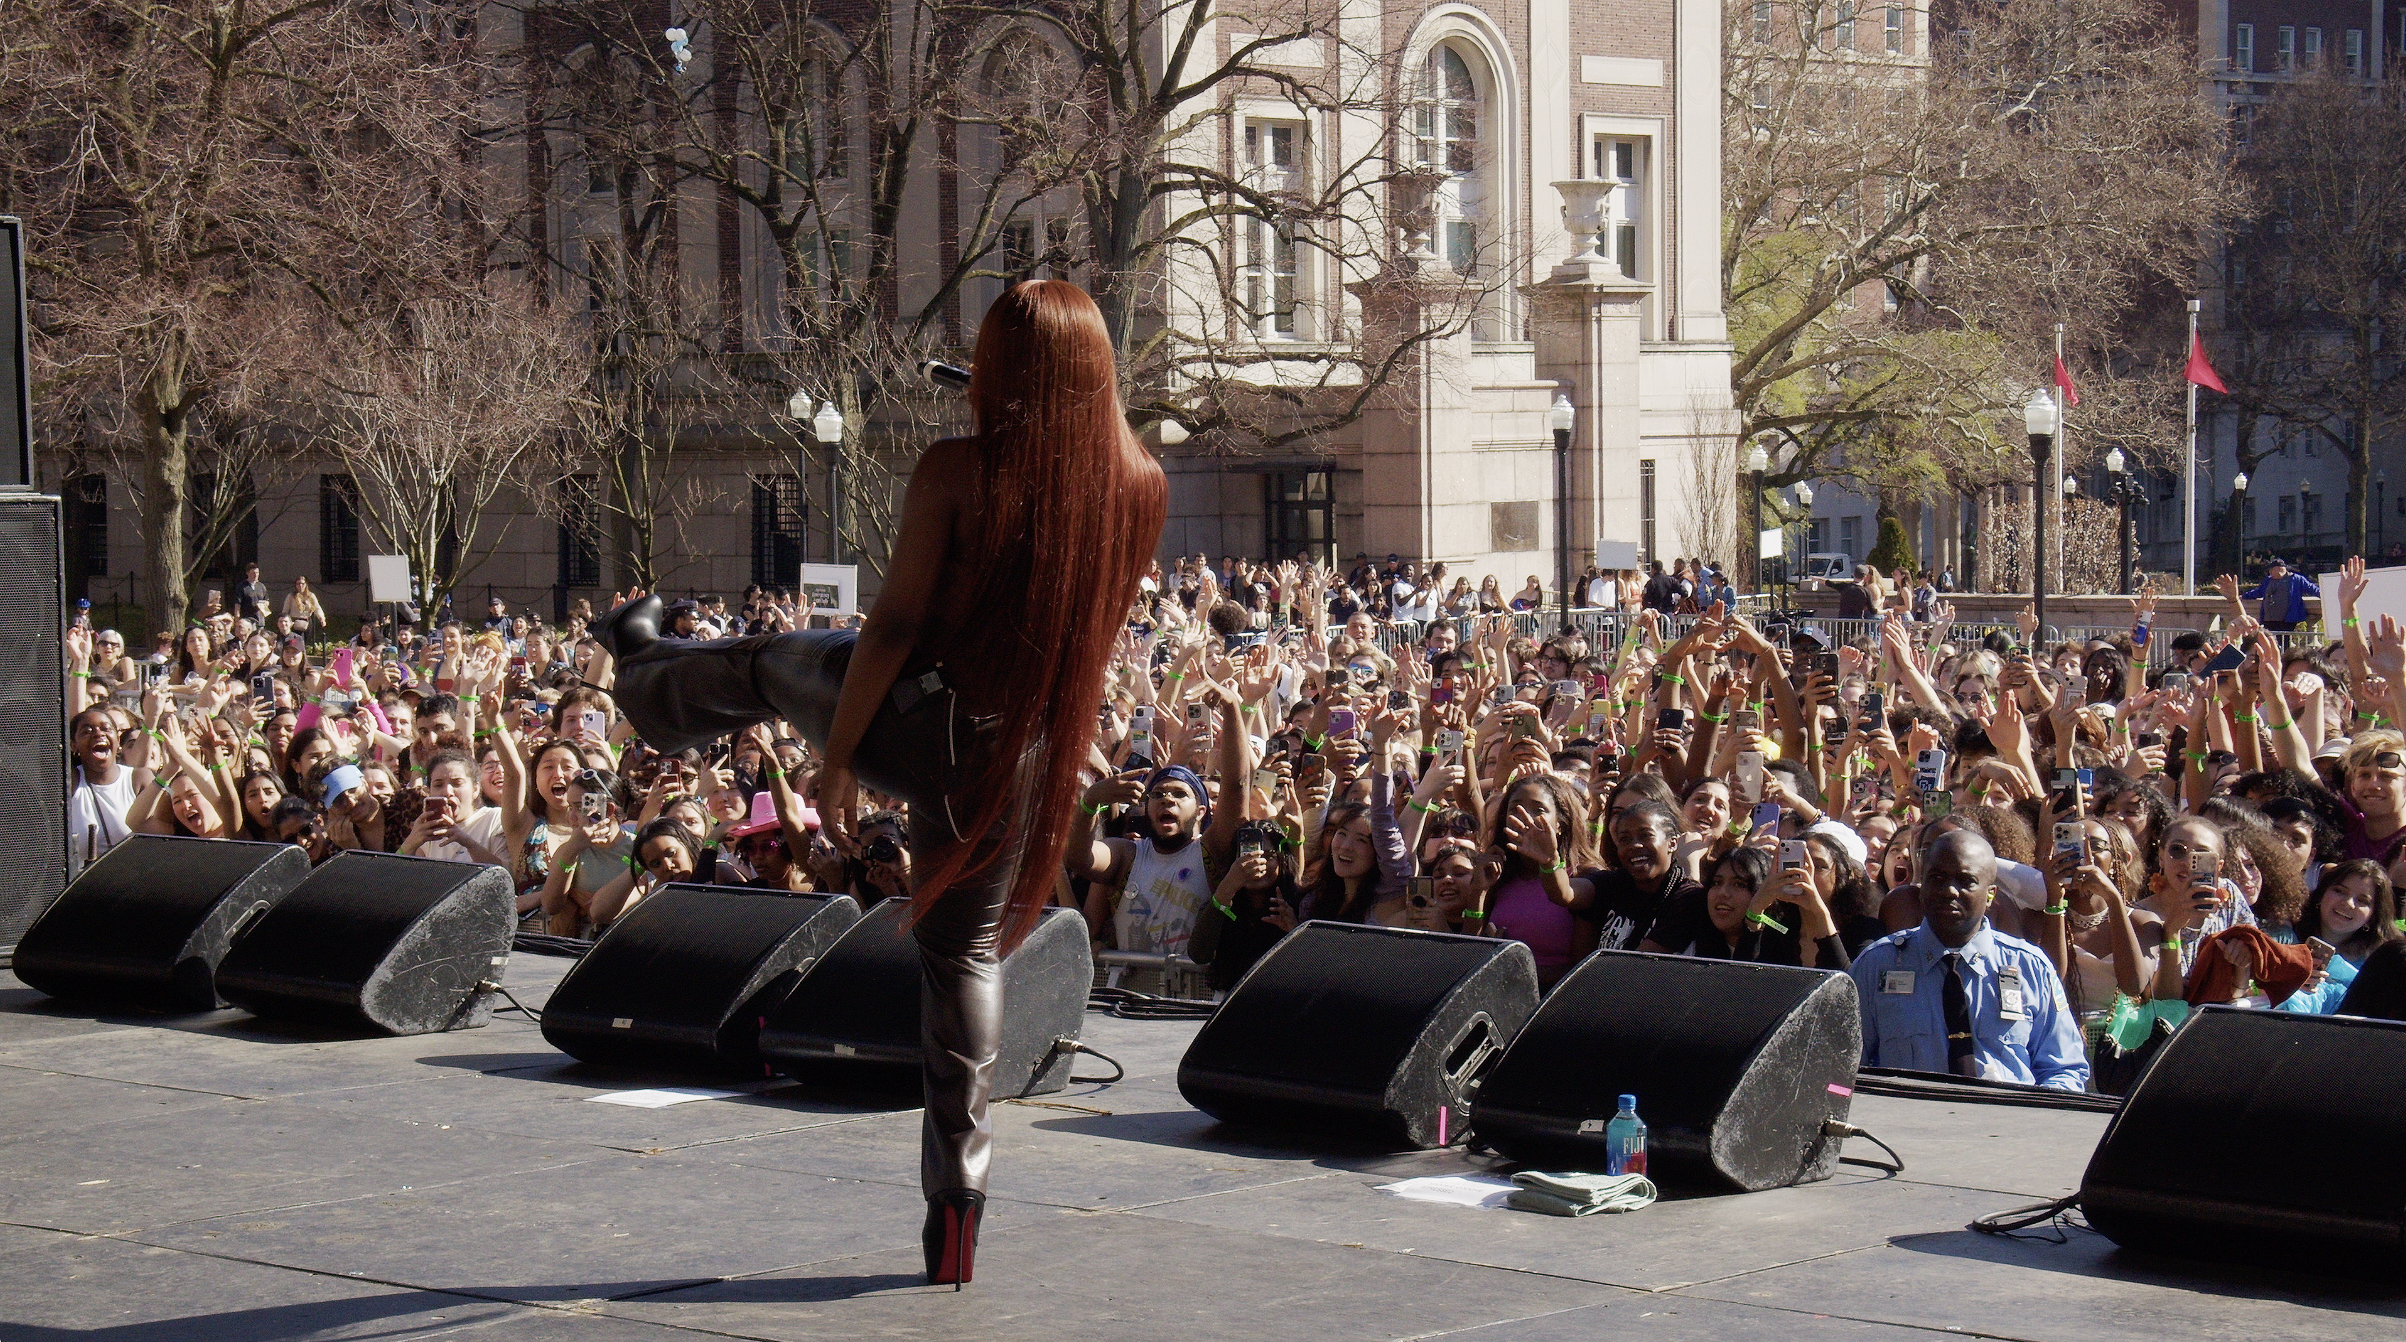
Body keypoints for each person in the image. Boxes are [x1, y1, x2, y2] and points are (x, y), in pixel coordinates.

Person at [595, 280, 1164, 1287]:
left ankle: (643, 676)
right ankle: (959, 1200)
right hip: (1021, 752)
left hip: (917, 718)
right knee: (969, 961)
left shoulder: (958, 469)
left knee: (769, 662)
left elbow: (894, 626)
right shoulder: (1139, 484)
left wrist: (842, 752)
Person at [1848, 830, 2090, 1091]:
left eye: (1966, 881)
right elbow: (1841, 1068)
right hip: (1909, 1125)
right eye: (1937, 878)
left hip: (2007, 1124)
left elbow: (2065, 1069)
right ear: (1921, 888)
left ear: (1990, 894)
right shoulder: (1877, 966)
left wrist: (2033, 1121)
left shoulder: (2029, 967)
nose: (1949, 891)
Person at [67, 706, 137, 877]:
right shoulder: (71, 782)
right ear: (73, 744)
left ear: (118, 741)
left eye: (106, 728)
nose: (98, 734)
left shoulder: (138, 778)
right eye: (87, 731)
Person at [2239, 557, 2320, 632]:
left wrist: (2326, 595)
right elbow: (2259, 592)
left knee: (2284, 641)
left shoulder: (2296, 579)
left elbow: (2312, 589)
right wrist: (2244, 596)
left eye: (2271, 569)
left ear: (2280, 569)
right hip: (2269, 619)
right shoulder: (2268, 580)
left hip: (2287, 620)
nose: (2269, 572)